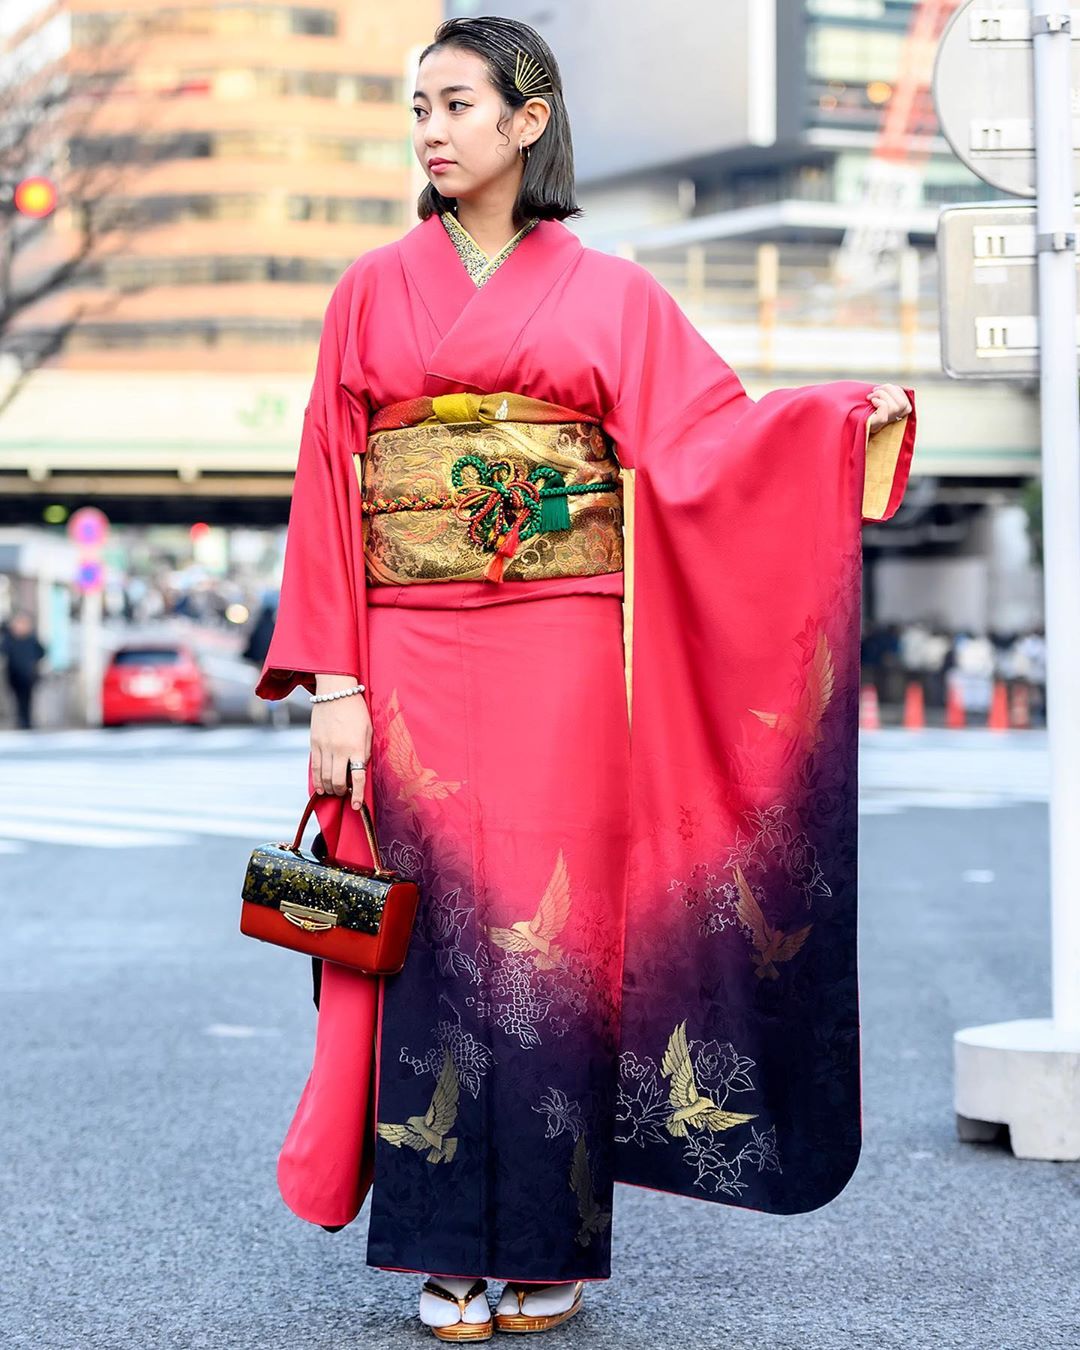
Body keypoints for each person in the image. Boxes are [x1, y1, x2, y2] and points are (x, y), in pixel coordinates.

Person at [254, 15, 915, 1342]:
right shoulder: (369, 293)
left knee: (554, 937)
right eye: (417, 109)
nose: (431, 130)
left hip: (561, 639)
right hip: (410, 644)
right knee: (434, 938)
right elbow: (329, 484)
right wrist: (335, 683)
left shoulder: (613, 294)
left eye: (455, 105)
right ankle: (445, 1246)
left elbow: (715, 446)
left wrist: (839, 421)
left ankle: (546, 1238)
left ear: (529, 119)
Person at [1, 609, 46, 731]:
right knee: (17, 698)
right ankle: (21, 719)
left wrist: (33, 661)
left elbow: (42, 652)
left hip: (29, 674)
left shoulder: (31, 639)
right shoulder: (10, 638)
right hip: (14, 674)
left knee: (27, 698)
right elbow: (3, 650)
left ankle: (27, 720)